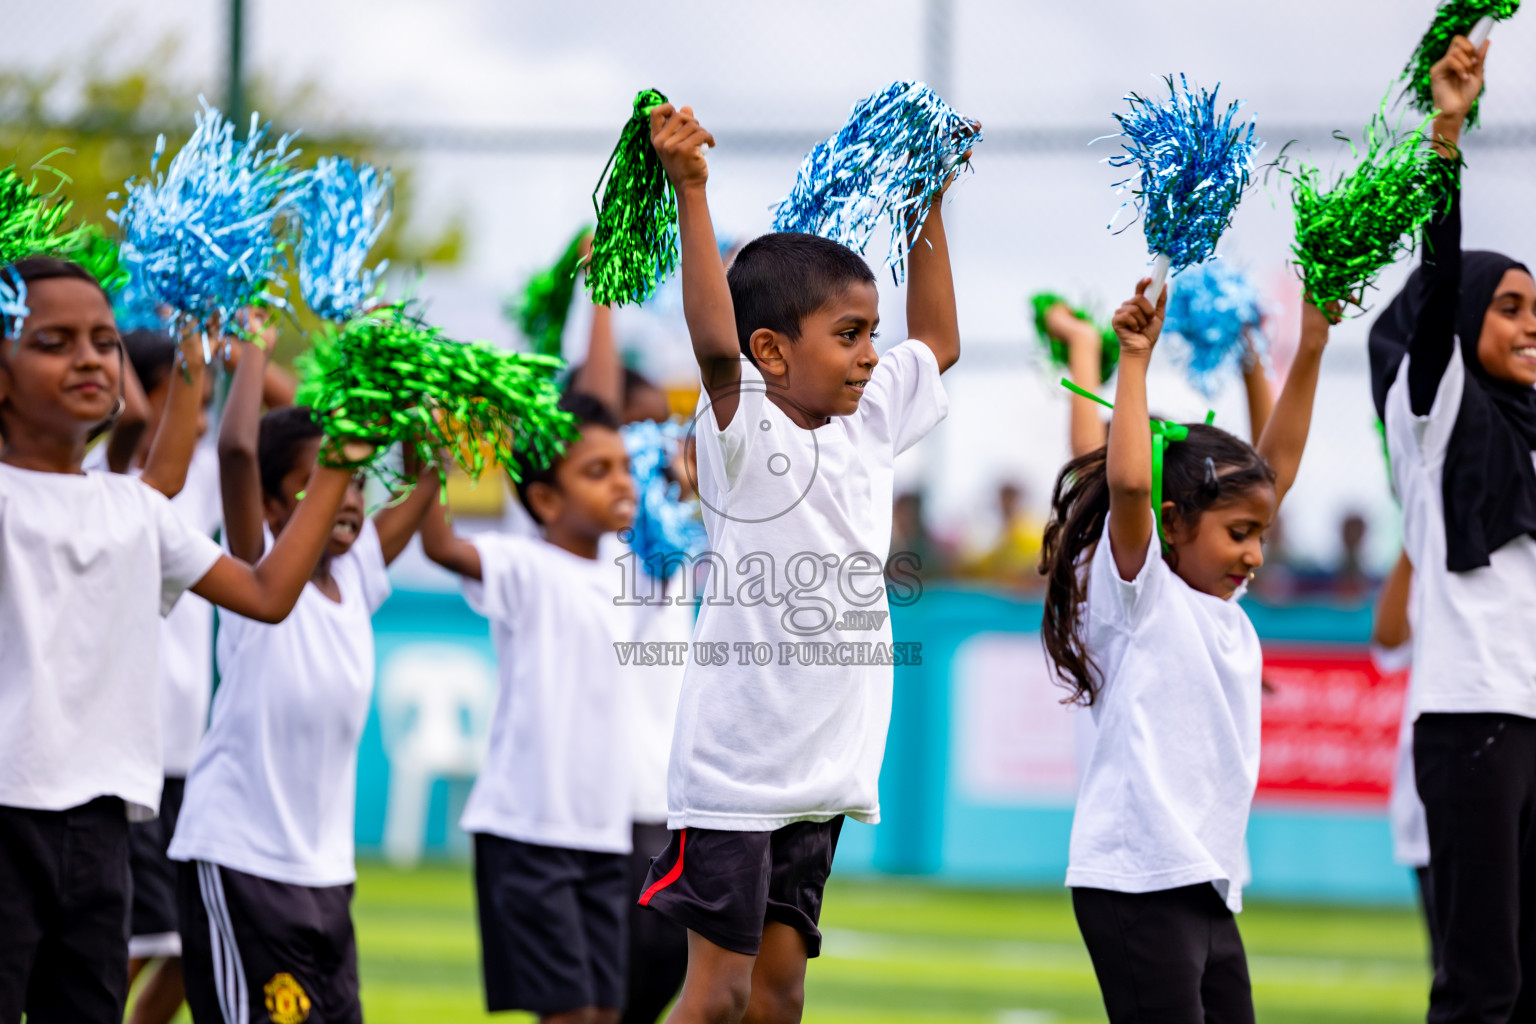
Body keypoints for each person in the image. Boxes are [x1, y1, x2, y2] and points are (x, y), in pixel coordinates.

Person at [637, 102, 963, 1024]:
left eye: (869, 331)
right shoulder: (745, 427)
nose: (871, 354)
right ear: (772, 351)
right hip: (736, 774)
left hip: (819, 777)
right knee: (716, 997)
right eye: (849, 334)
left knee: (780, 998)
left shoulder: (871, 421)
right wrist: (692, 190)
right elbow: (712, 338)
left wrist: (928, 198)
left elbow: (939, 342)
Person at [0, 256, 367, 1024]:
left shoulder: (137, 511)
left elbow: (267, 594)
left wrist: (338, 461)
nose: (92, 358)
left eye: (105, 340)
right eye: (52, 341)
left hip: (102, 827)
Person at [1039, 273, 1334, 1024]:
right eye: (1239, 536)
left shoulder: (1221, 605)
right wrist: (1130, 356)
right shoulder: (1142, 592)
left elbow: (1277, 467)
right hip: (1138, 883)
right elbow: (1127, 485)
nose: (1255, 555)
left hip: (1204, 882)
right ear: (1174, 524)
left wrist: (1298, 350)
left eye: (1260, 536)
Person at [167, 329, 436, 1024]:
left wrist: (410, 395)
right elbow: (235, 451)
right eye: (321, 481)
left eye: (350, 481)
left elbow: (423, 482)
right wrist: (253, 349)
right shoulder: (259, 565)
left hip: (324, 874)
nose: (346, 498)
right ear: (277, 506)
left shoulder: (357, 574)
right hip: (240, 858)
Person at [1367, 33, 1536, 1024]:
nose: (1529, 324)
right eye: (1509, 307)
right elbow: (1434, 299)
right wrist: (1447, 131)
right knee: (1481, 988)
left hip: (1533, 715)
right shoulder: (1432, 418)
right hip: (1473, 720)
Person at [421, 390, 638, 1024]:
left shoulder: (631, 567)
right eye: (597, 472)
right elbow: (440, 544)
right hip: (529, 831)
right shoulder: (523, 564)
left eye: (623, 465)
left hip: (603, 834)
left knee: (602, 1013)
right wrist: (431, 448)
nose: (621, 481)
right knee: (568, 1014)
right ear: (544, 500)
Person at [571, 289, 693, 1024]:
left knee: (658, 983)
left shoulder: (673, 545)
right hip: (600, 806)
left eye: (660, 434)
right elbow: (590, 403)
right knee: (597, 997)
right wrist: (601, 297)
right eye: (635, 438)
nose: (652, 453)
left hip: (669, 800)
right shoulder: (590, 542)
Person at [1371, 551, 1442, 971]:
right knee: (1457, 967)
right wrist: (1413, 542)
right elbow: (1389, 640)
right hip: (1436, 793)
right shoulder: (1430, 563)